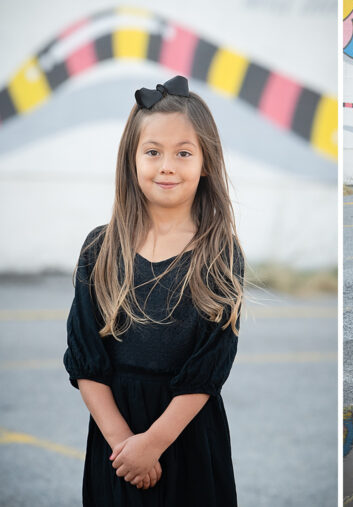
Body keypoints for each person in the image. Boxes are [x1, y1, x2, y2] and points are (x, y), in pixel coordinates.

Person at [64, 75, 244, 506]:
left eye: (183, 153)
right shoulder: (99, 249)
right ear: (132, 159)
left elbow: (210, 366)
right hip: (117, 445)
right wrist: (126, 444)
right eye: (153, 152)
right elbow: (85, 359)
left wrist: (154, 443)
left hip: (187, 437)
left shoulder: (219, 252)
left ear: (206, 162)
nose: (167, 165)